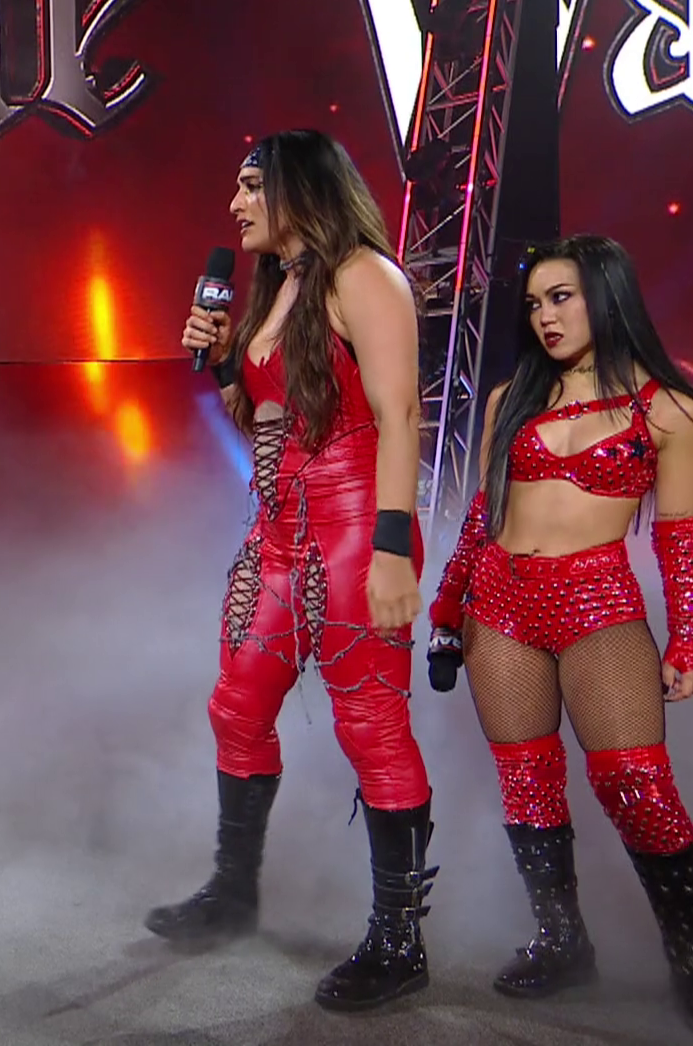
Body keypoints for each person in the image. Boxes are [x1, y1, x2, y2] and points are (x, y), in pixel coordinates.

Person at [425, 235, 693, 1040]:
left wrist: (689, 639)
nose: (545, 316)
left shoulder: (671, 411)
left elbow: (678, 536)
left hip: (597, 603)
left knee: (638, 788)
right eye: (535, 303)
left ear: (606, 296)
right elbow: (481, 514)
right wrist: (446, 607)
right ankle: (562, 941)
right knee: (527, 781)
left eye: (561, 297)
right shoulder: (512, 399)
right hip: (500, 603)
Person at [152, 130, 437, 1013]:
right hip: (278, 532)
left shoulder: (364, 275)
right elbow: (271, 429)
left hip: (356, 529)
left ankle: (399, 941)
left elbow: (400, 416)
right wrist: (223, 365)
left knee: (371, 726)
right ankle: (232, 892)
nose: (235, 204)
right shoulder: (284, 287)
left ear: (299, 188)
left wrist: (392, 549)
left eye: (250, 186)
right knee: (235, 705)